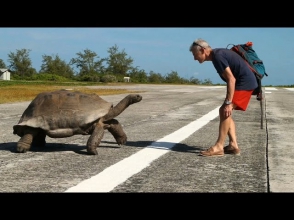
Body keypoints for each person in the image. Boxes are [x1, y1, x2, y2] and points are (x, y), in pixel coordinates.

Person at [189, 38, 258, 157]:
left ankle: (219, 146)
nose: (194, 58)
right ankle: (233, 145)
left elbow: (231, 79)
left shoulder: (218, 57)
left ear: (203, 50)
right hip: (244, 82)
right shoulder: (218, 55)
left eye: (195, 54)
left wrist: (228, 102)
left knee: (224, 110)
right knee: (226, 112)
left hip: (244, 83)